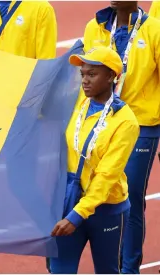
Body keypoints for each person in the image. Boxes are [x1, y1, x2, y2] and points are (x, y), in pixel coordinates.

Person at [0, 1, 58, 273]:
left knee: (22, 185)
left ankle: (56, 246)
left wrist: (31, 113)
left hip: (22, 113)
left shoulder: (40, 9)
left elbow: (46, 64)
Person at [80, 2, 160, 273]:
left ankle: (129, 269)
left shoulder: (154, 29)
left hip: (141, 125)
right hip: (101, 124)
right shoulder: (95, 27)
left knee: (132, 199)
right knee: (102, 195)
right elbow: (86, 75)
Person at [49, 46, 138, 274]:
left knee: (107, 271)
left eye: (92, 74)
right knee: (60, 271)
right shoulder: (79, 101)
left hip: (106, 209)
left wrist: (77, 215)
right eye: (83, 74)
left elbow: (107, 175)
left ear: (111, 76)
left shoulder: (125, 122)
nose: (85, 81)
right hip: (69, 201)